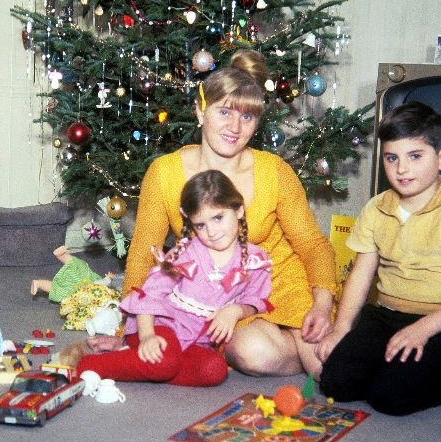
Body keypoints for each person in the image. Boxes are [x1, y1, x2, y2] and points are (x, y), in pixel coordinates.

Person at [88, 49, 336, 378]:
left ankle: (311, 343)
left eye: (247, 117)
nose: (235, 127)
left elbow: (313, 245)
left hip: (283, 284)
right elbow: (143, 254)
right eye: (224, 112)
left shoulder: (274, 170)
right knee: (254, 354)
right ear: (200, 110)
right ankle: (286, 346)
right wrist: (128, 332)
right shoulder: (165, 172)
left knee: (328, 373)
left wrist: (322, 304)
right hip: (222, 300)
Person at [316, 101, 441, 416]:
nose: (401, 169)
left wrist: (422, 329)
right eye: (392, 158)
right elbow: (361, 276)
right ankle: (392, 368)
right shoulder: (376, 208)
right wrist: (341, 328)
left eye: (415, 156)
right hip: (384, 315)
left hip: (439, 323)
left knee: (388, 398)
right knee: (335, 383)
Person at [77, 170, 272, 386]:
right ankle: (87, 365)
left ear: (238, 210)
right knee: (164, 362)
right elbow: (149, 295)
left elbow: (255, 300)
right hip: (157, 324)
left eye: (218, 218)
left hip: (195, 341)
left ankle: (139, 360)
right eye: (201, 225)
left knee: (214, 370)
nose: (212, 231)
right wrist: (147, 336)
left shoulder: (255, 259)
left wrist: (236, 311)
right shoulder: (186, 254)